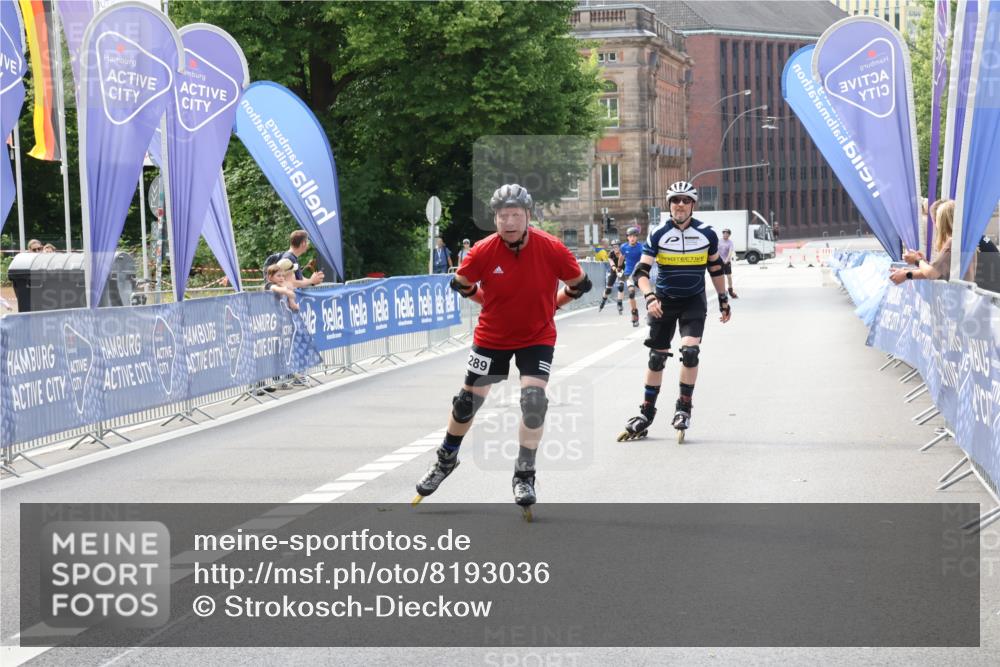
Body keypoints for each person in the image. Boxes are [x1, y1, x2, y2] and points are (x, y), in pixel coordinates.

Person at [413, 184, 591, 517]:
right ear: (495, 218)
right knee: (467, 402)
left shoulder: (551, 248)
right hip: (493, 336)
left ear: (528, 216)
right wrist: (488, 302)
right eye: (502, 216)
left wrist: (552, 306)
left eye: (515, 215)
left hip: (536, 336)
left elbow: (580, 285)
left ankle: (524, 475)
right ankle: (446, 459)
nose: (508, 222)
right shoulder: (482, 250)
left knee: (534, 402)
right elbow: (463, 284)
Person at [619, 181, 732, 442]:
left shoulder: (707, 234)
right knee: (656, 358)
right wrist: (649, 297)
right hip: (664, 301)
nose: (680, 204)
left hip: (693, 299)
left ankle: (683, 409)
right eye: (675, 200)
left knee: (690, 352)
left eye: (685, 200)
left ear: (693, 205)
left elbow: (715, 269)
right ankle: (646, 413)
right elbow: (642, 272)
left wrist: (724, 299)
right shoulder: (658, 233)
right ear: (669, 205)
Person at [890, 200, 977, 284]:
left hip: (955, 296)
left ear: (942, 222)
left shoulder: (953, 242)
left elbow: (932, 273)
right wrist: (923, 263)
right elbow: (940, 272)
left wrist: (917, 261)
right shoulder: (965, 241)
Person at [619, 226, 645, 326]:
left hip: (639, 273)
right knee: (631, 293)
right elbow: (621, 257)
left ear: (637, 237)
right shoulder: (624, 247)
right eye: (630, 236)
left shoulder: (641, 247)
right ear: (627, 237)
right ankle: (634, 314)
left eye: (634, 236)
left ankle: (650, 311)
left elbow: (643, 258)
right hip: (628, 274)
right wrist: (619, 267)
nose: (632, 238)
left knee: (645, 293)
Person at [597, 240, 622, 312]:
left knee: (621, 286)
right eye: (614, 247)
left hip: (621, 269)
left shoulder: (623, 252)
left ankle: (619, 303)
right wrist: (614, 267)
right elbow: (611, 263)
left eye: (617, 247)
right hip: (614, 270)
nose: (615, 248)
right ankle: (603, 301)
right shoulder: (611, 253)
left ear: (619, 247)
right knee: (608, 289)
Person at [718, 228, 738, 298]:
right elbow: (716, 251)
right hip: (719, 261)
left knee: (729, 277)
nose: (725, 234)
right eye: (724, 233)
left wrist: (726, 260)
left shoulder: (730, 242)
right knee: (721, 277)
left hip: (727, 262)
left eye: (727, 233)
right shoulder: (719, 241)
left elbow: (730, 252)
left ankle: (730, 290)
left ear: (729, 235)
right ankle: (723, 291)